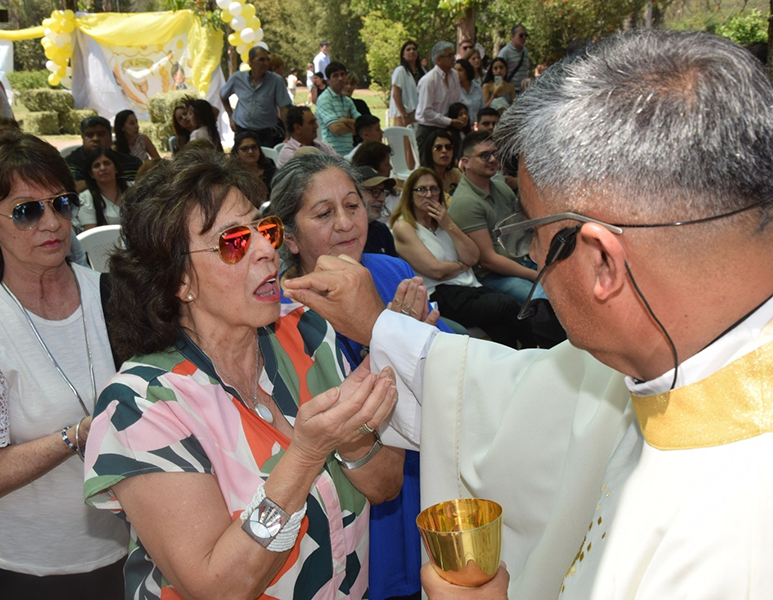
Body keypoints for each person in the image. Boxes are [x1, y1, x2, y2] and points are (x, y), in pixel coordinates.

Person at [283, 29, 773, 600]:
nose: (533, 258)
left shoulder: (730, 538)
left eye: (536, 234)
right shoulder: (681, 352)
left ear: (601, 261)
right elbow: (523, 391)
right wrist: (381, 328)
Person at [83, 151, 402, 599]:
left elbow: (386, 486)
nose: (266, 250)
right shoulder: (141, 405)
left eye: (265, 230)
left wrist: (351, 438)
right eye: (234, 242)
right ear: (179, 280)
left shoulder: (308, 332)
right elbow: (221, 587)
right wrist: (306, 455)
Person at [0, 131, 129, 599]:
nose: (53, 223)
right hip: (24, 566)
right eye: (27, 210)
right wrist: (73, 437)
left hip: (123, 548)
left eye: (61, 204)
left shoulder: (110, 295)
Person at [270, 153, 454, 600]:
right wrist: (389, 340)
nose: (346, 223)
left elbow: (452, 365)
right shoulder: (278, 310)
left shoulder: (391, 272)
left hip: (413, 470)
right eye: (324, 213)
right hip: (351, 492)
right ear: (289, 238)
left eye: (353, 206)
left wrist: (414, 340)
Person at [390, 167, 535, 349]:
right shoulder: (404, 226)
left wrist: (448, 224)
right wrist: (462, 264)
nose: (429, 194)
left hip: (469, 288)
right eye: (421, 190)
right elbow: (436, 271)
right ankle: (538, 350)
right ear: (409, 194)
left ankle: (515, 367)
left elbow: (473, 256)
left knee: (501, 330)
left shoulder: (443, 221)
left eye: (434, 189)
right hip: (441, 295)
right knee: (507, 305)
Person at [447, 131, 541, 305]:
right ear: (465, 162)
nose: (492, 159)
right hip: (492, 275)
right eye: (484, 155)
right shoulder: (466, 202)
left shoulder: (500, 187)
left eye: (495, 154)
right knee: (542, 300)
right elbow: (488, 260)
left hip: (521, 261)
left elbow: (522, 230)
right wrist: (536, 275)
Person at [220, 46, 291, 148]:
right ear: (251, 61)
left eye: (267, 60)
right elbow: (223, 95)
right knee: (242, 161)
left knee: (265, 161)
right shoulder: (237, 78)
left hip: (266, 132)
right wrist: (230, 116)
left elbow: (284, 108)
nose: (266, 63)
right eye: (261, 60)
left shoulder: (276, 81)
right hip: (242, 130)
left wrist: (288, 135)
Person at [65, 115, 141, 192]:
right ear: (83, 137)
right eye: (90, 135)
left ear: (110, 137)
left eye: (101, 134)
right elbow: (72, 190)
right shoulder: (70, 163)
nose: (96, 139)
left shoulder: (132, 163)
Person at [414, 42, 466, 148]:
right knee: (427, 164)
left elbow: (458, 101)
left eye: (453, 55)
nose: (453, 59)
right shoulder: (428, 80)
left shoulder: (454, 75)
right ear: (438, 59)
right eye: (449, 56)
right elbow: (426, 112)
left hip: (449, 128)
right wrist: (449, 121)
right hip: (429, 129)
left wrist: (462, 116)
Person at [316, 61, 361, 156]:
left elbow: (362, 124)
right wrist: (353, 127)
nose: (340, 78)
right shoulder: (324, 99)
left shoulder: (347, 100)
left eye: (342, 74)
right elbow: (336, 128)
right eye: (335, 76)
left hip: (349, 152)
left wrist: (344, 120)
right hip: (331, 153)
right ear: (328, 80)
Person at [79, 147, 130, 229]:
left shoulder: (133, 189)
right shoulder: (86, 198)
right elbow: (91, 235)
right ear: (91, 174)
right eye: (97, 166)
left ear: (116, 169)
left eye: (107, 163)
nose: (103, 168)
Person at [358, 166, 398, 257]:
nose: (382, 198)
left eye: (383, 191)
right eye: (374, 191)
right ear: (355, 193)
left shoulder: (381, 231)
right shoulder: (344, 233)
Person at [231, 130, 277, 198]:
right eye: (244, 149)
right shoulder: (233, 176)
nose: (250, 151)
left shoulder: (270, 170)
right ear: (237, 153)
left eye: (254, 147)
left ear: (259, 151)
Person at [390, 40, 424, 128]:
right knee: (404, 141)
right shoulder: (400, 71)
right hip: (404, 116)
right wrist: (404, 115)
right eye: (408, 50)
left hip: (420, 115)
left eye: (414, 49)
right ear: (403, 55)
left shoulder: (423, 71)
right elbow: (396, 95)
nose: (411, 51)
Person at [420, 129, 462, 198]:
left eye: (448, 147)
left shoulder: (454, 173)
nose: (444, 151)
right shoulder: (422, 176)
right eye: (438, 148)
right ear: (429, 152)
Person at [497, 24, 530, 93]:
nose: (524, 38)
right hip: (510, 91)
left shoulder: (525, 51)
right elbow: (498, 72)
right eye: (521, 35)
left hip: (524, 91)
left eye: (525, 35)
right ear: (512, 36)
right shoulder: (505, 52)